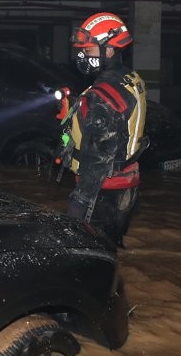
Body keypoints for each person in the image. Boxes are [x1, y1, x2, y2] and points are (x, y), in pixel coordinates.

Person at [60, 12, 147, 248]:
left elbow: (98, 157)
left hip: (102, 192)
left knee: (87, 256)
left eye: (88, 51)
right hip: (126, 186)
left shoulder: (103, 95)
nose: (82, 56)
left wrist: (79, 202)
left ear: (108, 51)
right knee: (110, 250)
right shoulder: (130, 78)